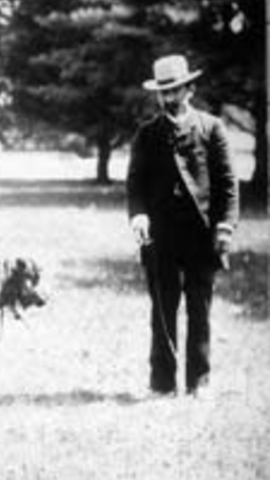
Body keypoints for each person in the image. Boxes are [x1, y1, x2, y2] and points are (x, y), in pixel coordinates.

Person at [127, 55, 239, 398]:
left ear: (190, 89)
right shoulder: (147, 135)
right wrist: (139, 215)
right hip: (160, 236)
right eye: (163, 92)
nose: (169, 98)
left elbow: (227, 183)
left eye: (175, 90)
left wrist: (225, 226)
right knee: (162, 311)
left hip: (201, 235)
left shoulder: (212, 128)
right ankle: (161, 385)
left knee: (199, 309)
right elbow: (135, 184)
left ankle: (199, 382)